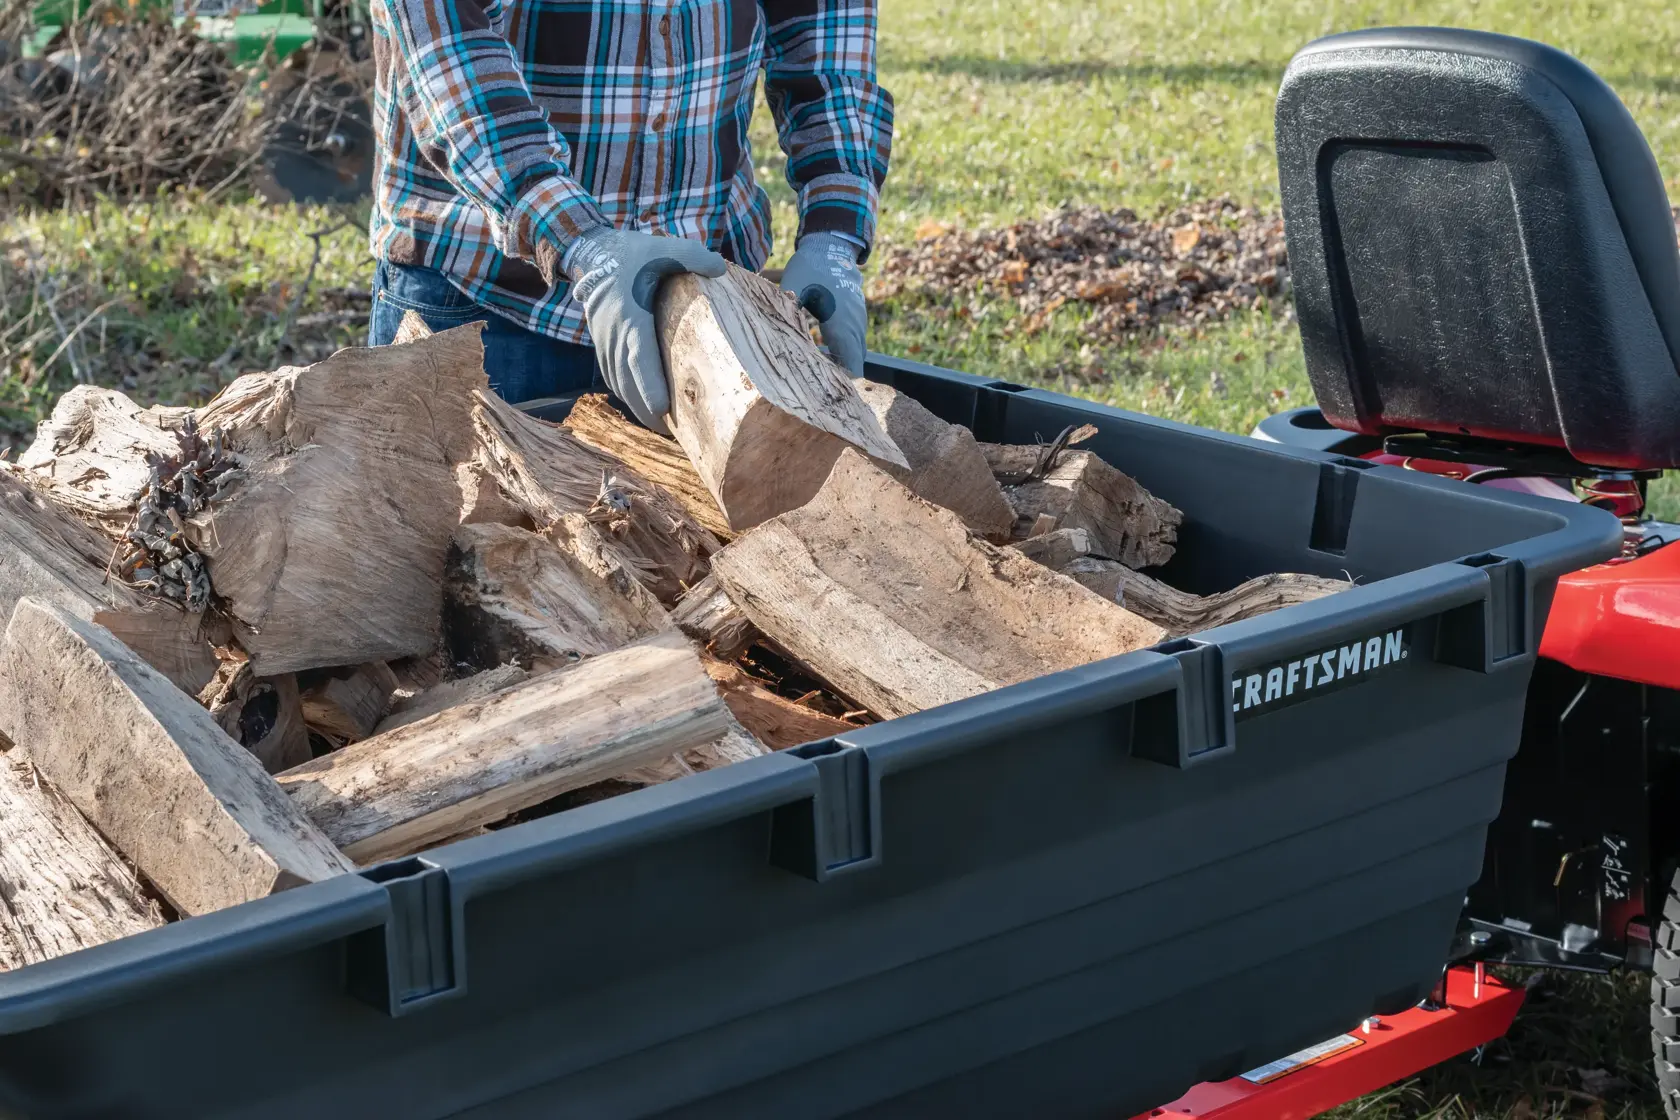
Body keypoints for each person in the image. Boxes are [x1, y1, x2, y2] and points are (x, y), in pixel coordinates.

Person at [364, 0, 893, 433]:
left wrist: (833, 232)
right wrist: (580, 242)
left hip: (702, 300)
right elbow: (445, 46)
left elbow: (826, 28)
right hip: (484, 298)